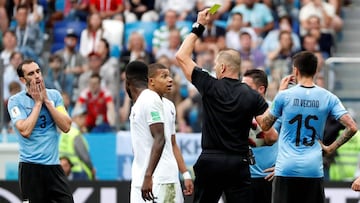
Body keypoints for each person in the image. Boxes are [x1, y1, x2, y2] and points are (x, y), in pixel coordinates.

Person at [175, 8, 278, 202]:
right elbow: (270, 134)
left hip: (210, 161)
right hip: (237, 162)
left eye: (215, 65)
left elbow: (181, 56)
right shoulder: (252, 95)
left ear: (222, 67)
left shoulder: (209, 84)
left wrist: (199, 26)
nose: (214, 67)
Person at [259, 51, 358, 203]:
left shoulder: (284, 96)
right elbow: (352, 127)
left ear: (295, 70)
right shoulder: (328, 97)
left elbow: (265, 125)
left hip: (286, 168)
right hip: (313, 169)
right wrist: (330, 148)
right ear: (316, 71)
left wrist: (279, 92)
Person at [7, 60, 74, 202]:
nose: (37, 76)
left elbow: (66, 126)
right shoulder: (15, 101)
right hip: (31, 168)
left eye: (38, 71)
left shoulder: (54, 96)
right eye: (31, 73)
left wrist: (47, 102)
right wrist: (38, 103)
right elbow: (25, 130)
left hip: (54, 167)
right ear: (22, 80)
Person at [147, 63, 194, 201]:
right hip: (155, 178)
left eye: (170, 76)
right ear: (151, 81)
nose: (170, 79)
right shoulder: (145, 104)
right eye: (164, 76)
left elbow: (172, 143)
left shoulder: (169, 106)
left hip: (170, 175)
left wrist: (185, 174)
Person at [125, 60, 165, 202]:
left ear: (127, 82)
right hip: (140, 179)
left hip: (151, 181)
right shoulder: (140, 102)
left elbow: (160, 137)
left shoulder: (149, 98)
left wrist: (148, 176)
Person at [242, 69, 278, 203]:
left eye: (247, 87)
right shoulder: (238, 108)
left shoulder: (276, 111)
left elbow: (289, 141)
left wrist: (283, 165)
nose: (242, 91)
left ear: (261, 89)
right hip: (243, 178)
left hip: (269, 178)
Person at [59, 106, 96, 180]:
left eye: (84, 117)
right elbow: (84, 155)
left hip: (66, 171)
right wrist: (91, 168)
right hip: (79, 171)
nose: (84, 120)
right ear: (74, 118)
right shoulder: (75, 133)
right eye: (80, 117)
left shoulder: (64, 132)